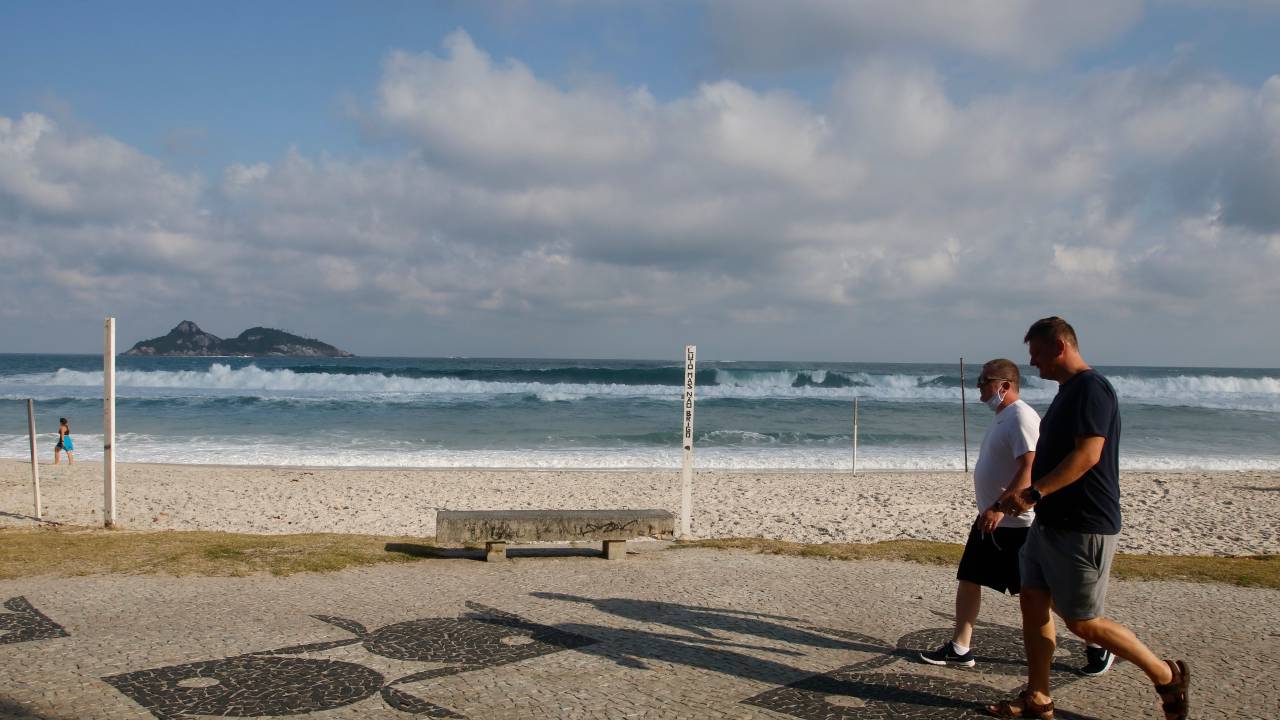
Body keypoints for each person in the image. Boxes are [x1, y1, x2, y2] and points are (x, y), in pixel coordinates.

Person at [986, 317, 1189, 720]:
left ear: (1060, 347)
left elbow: (1087, 456)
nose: (1034, 365)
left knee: (1083, 622)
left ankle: (1167, 675)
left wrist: (1033, 493)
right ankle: (1038, 699)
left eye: (1038, 354)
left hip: (1084, 524)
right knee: (1033, 601)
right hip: (1050, 522)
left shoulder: (1092, 390)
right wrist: (1025, 494)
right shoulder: (1067, 392)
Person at [919, 358, 1039, 667]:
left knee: (1040, 593)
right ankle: (961, 647)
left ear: (1005, 385)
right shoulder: (1004, 416)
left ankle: (1095, 641)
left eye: (984, 381)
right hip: (991, 519)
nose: (978, 388)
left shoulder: (1021, 417)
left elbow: (1030, 468)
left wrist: (1001, 508)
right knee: (970, 577)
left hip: (1016, 523)